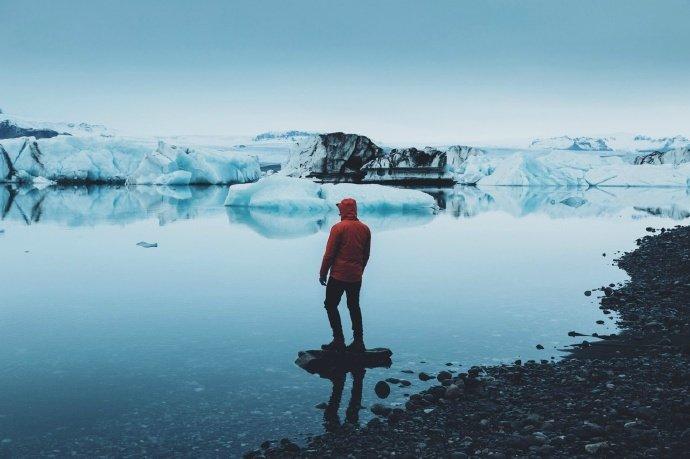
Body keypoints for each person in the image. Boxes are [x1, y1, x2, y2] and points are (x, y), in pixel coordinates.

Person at [319, 198, 371, 353]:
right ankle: (359, 341)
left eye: (340, 208)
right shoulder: (365, 229)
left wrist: (323, 273)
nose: (338, 211)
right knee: (354, 306)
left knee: (330, 304)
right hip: (355, 276)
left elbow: (329, 255)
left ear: (343, 210)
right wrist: (359, 271)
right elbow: (366, 255)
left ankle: (338, 340)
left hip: (338, 275)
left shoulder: (338, 228)